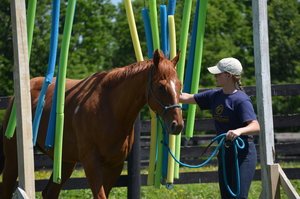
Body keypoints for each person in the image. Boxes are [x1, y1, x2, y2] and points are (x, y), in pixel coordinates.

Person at [179, 57, 260, 199]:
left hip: (242, 154)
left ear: (228, 76)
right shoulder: (214, 95)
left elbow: (255, 126)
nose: (215, 76)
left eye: (218, 74)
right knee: (227, 196)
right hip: (225, 152)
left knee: (239, 196)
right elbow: (186, 98)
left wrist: (238, 131)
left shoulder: (241, 100)